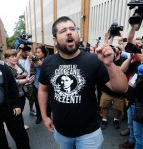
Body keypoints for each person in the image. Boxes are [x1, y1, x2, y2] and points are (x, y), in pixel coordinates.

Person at [38, 16, 127, 149]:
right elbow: (43, 90)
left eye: (72, 29)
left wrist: (110, 64)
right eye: (63, 30)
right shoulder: (48, 63)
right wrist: (45, 116)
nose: (69, 32)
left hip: (89, 133)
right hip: (61, 131)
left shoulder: (94, 60)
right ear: (55, 40)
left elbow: (122, 88)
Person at [0, 50, 30, 148]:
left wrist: (16, 105)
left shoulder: (1, 65)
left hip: (8, 107)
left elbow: (13, 85)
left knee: (19, 133)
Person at [119, 25, 143, 149]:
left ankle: (136, 144)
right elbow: (121, 70)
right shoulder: (135, 61)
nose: (137, 48)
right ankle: (131, 141)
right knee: (131, 125)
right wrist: (131, 57)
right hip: (131, 100)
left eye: (140, 46)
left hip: (140, 104)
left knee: (140, 134)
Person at [4, 49, 35, 129]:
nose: (15, 58)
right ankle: (19, 127)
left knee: (21, 109)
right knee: (16, 112)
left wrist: (22, 76)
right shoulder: (6, 68)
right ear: (7, 59)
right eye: (12, 57)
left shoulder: (17, 64)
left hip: (22, 91)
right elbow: (13, 82)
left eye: (15, 56)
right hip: (14, 94)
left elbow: (25, 72)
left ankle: (20, 124)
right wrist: (25, 80)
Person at [100, 45, 127, 130]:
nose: (112, 51)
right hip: (106, 90)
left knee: (117, 107)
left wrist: (111, 65)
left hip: (119, 91)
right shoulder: (104, 59)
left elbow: (122, 70)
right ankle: (104, 119)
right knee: (105, 105)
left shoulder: (123, 60)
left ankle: (116, 120)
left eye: (115, 49)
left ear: (119, 51)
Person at [26, 45, 48, 124]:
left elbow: (40, 64)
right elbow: (32, 70)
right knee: (37, 102)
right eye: (36, 52)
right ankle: (39, 116)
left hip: (46, 86)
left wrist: (28, 52)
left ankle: (47, 116)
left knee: (47, 102)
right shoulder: (35, 61)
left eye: (39, 52)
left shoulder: (46, 61)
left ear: (44, 54)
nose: (37, 54)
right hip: (36, 85)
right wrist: (31, 64)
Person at [17, 48, 36, 116]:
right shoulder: (17, 59)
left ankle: (31, 110)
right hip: (20, 83)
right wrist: (21, 50)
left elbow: (34, 58)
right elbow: (15, 59)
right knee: (21, 101)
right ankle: (19, 114)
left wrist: (27, 51)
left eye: (26, 52)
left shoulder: (29, 58)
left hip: (28, 83)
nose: (25, 53)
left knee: (32, 99)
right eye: (23, 52)